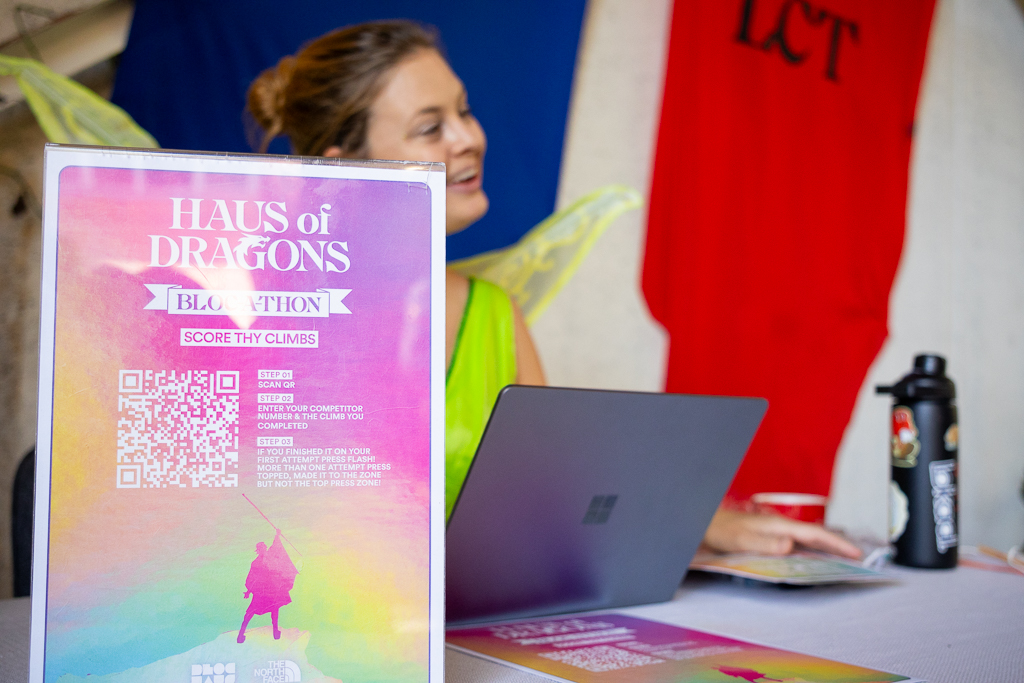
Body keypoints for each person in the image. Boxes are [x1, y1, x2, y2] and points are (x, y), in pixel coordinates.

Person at [246, 21, 860, 560]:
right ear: (347, 168)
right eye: (431, 127)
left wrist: (708, 524)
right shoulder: (263, 322)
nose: (468, 138)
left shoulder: (494, 314)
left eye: (464, 111)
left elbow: (552, 503)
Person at [237, 529, 298, 643]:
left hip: (271, 589)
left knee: (274, 609)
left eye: (264, 548)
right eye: (261, 549)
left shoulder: (268, 558)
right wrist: (249, 591)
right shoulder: (256, 563)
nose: (263, 550)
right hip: (263, 591)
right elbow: (252, 577)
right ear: (258, 550)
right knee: (253, 611)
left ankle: (275, 632)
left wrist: (277, 536)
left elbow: (275, 547)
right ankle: (241, 634)